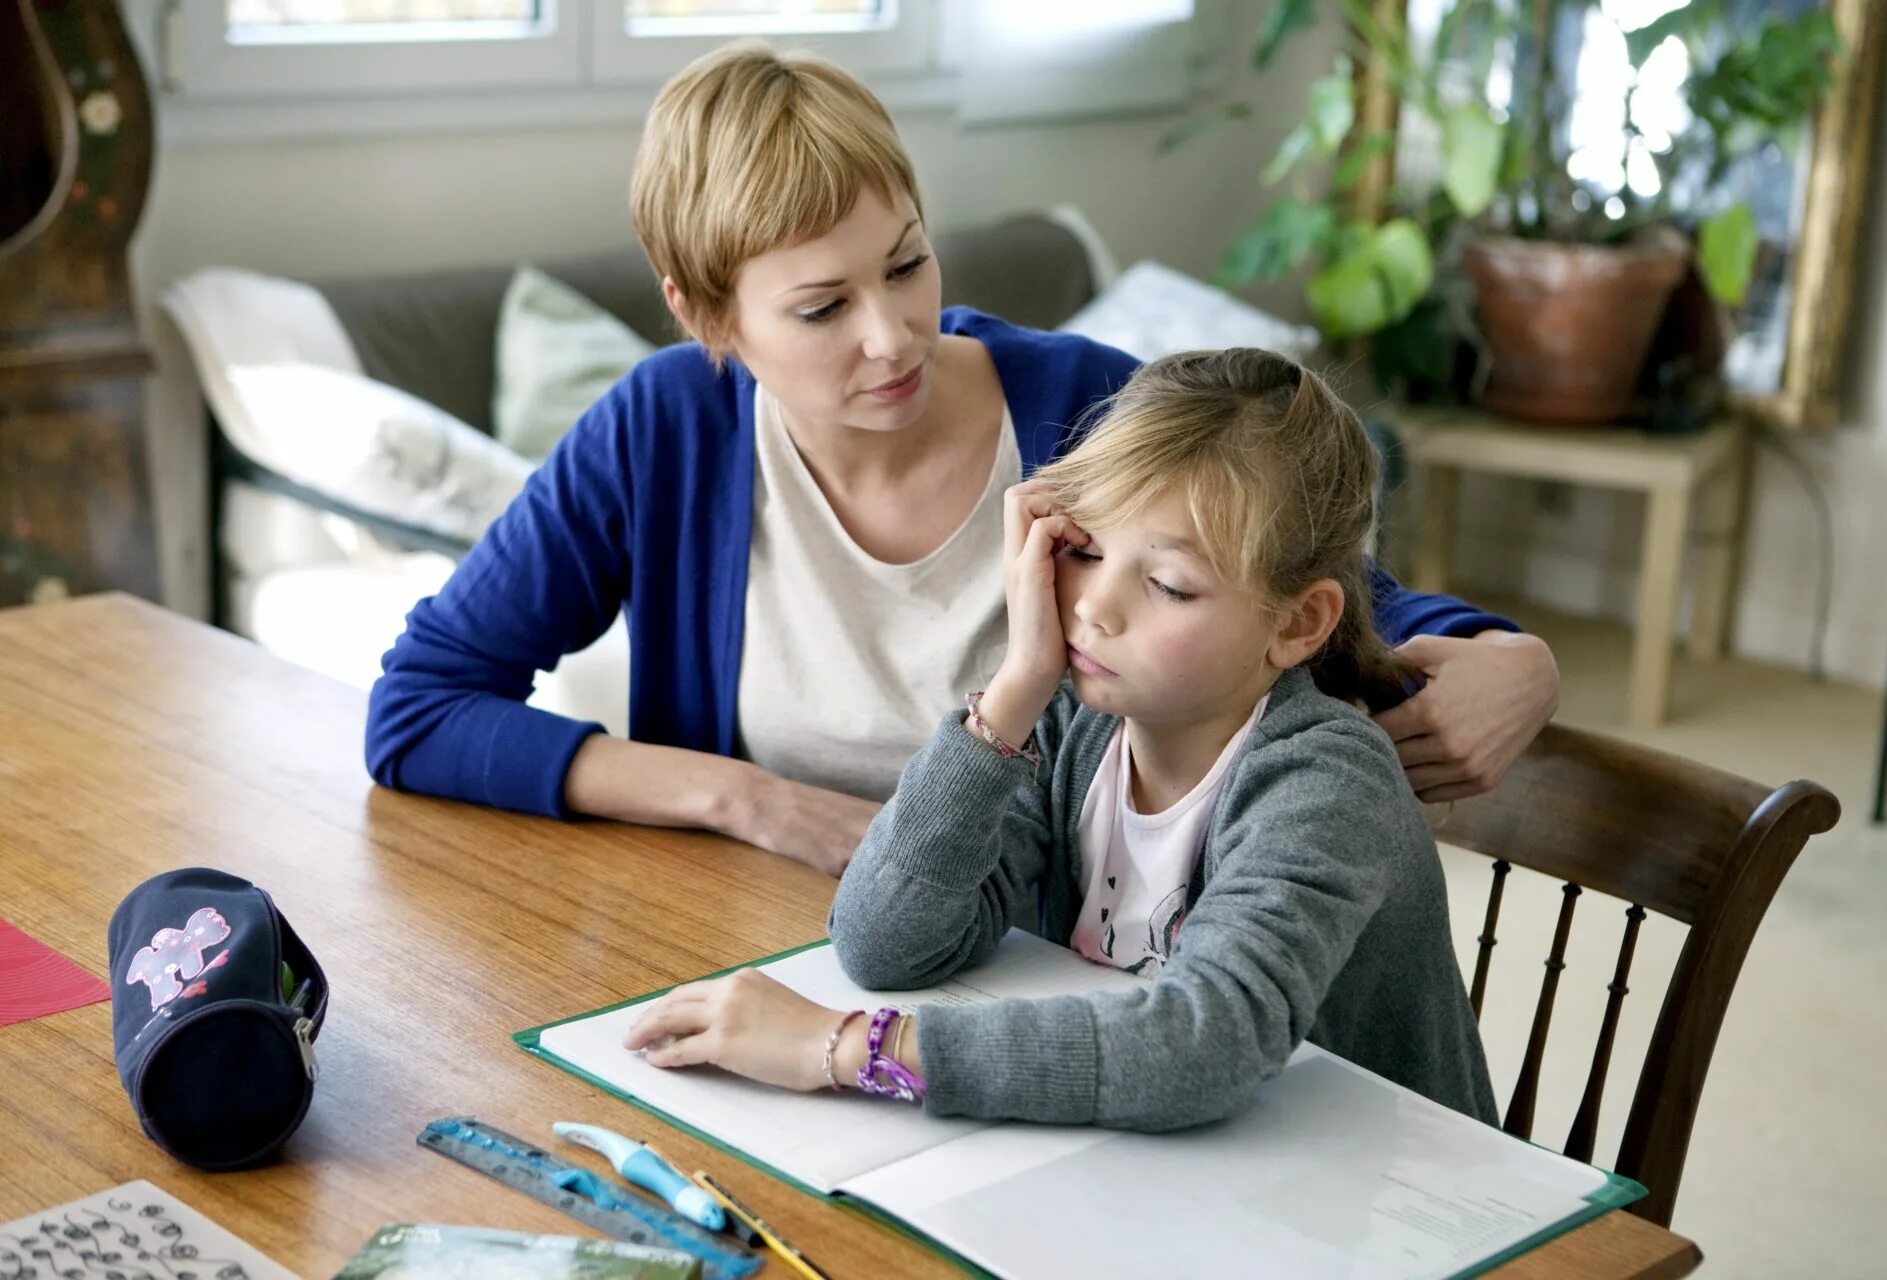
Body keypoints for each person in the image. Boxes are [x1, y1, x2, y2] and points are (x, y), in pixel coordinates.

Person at [364, 41, 1559, 876]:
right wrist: (750, 802)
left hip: (1078, 969)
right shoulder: (662, 429)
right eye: (822, 307)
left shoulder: (1082, 405)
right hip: (778, 941)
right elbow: (419, 707)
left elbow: (1322, 593)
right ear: (707, 316)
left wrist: (1514, 653)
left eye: (907, 264)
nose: (893, 338)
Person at [621, 348, 1497, 1129]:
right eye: (1082, 548)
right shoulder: (1076, 725)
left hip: (1384, 1205)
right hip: (1176, 1180)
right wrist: (1010, 694)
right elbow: (885, 941)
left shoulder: (1324, 781)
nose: (1092, 606)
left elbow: (1203, 1046)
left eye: (1167, 584)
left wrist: (850, 1048)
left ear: (1299, 623)